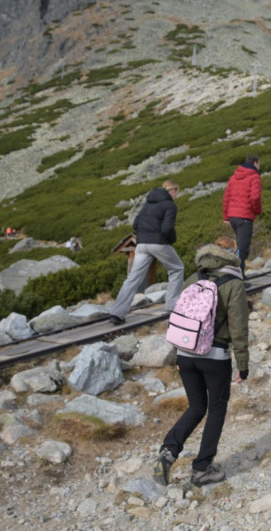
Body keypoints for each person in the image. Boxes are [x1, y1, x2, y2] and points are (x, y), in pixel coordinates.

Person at [157, 236, 250, 487]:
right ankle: (202, 469)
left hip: (186, 354)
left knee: (196, 407)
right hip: (215, 357)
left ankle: (169, 449)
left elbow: (179, 315)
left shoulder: (195, 277)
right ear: (232, 253)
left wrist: (178, 353)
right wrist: (243, 364)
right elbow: (239, 327)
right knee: (217, 409)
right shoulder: (234, 283)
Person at [108, 180, 185, 325]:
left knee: (133, 278)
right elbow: (167, 228)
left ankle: (117, 313)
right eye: (177, 192)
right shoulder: (170, 205)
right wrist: (171, 239)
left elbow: (136, 223)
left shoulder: (148, 203)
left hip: (142, 244)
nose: (177, 195)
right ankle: (172, 306)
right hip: (159, 243)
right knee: (177, 269)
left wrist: (144, 235)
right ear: (173, 190)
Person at [222, 154, 262, 276]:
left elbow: (226, 198)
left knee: (239, 247)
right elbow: (255, 198)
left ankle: (240, 275)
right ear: (255, 163)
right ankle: (235, 277)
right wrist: (257, 211)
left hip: (233, 216)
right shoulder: (254, 177)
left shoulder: (234, 177)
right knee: (243, 249)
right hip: (244, 217)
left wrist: (226, 216)